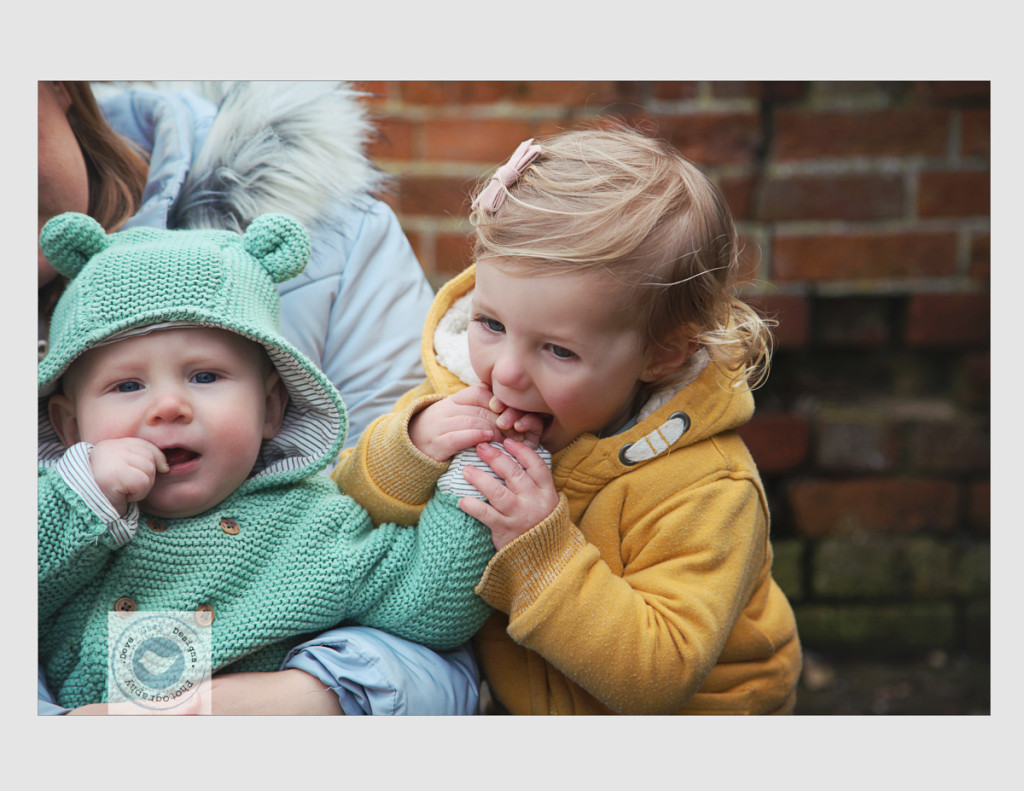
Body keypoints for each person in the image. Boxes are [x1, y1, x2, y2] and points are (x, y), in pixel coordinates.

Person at [37, 80, 479, 715]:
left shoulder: (312, 528)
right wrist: (76, 497)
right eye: (128, 386)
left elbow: (426, 601)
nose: (169, 407)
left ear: (274, 407)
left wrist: (471, 478)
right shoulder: (70, 524)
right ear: (67, 423)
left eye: (206, 377)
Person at [334, 127, 803, 714]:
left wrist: (540, 549)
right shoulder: (457, 397)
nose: (505, 373)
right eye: (491, 324)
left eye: (558, 350)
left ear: (662, 354)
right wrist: (411, 447)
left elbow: (658, 675)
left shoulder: (706, 488)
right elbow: (346, 508)